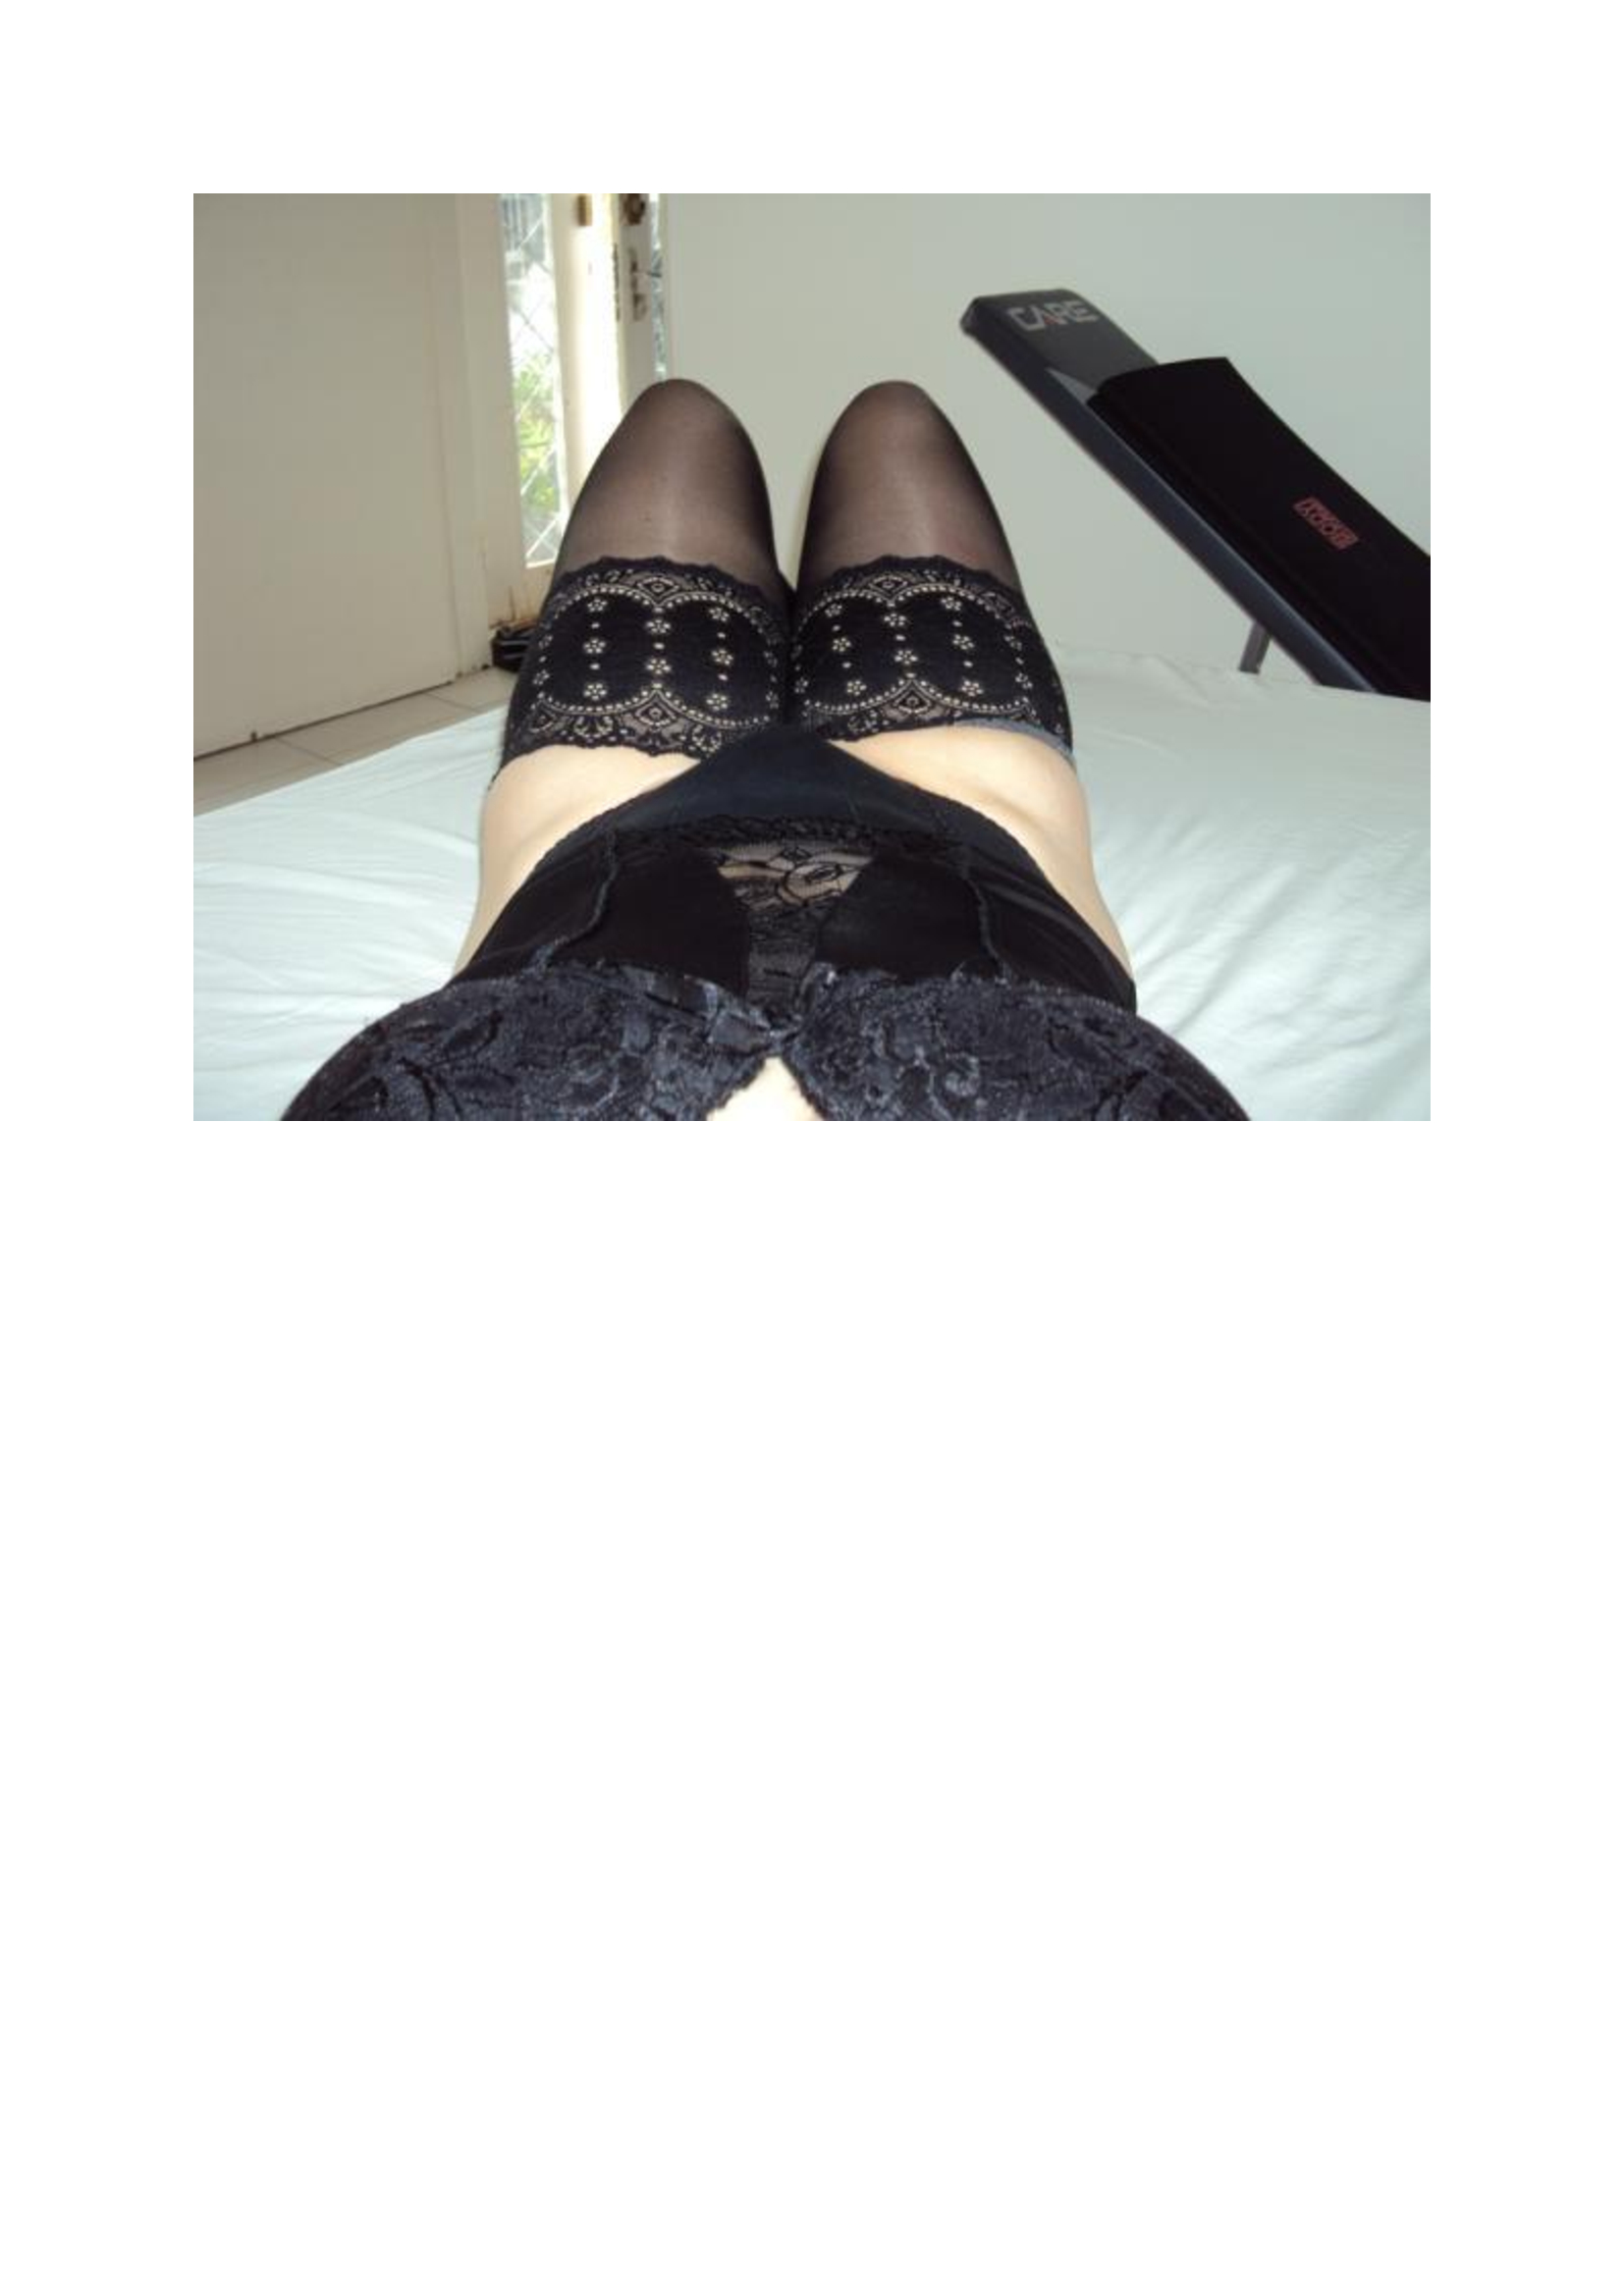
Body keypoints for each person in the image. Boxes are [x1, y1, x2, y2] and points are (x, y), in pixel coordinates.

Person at [283, 379, 1245, 1120]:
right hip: (965, 796)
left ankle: (781, 652)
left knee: (678, 418)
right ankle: (789, 651)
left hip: (610, 796)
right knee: (892, 420)